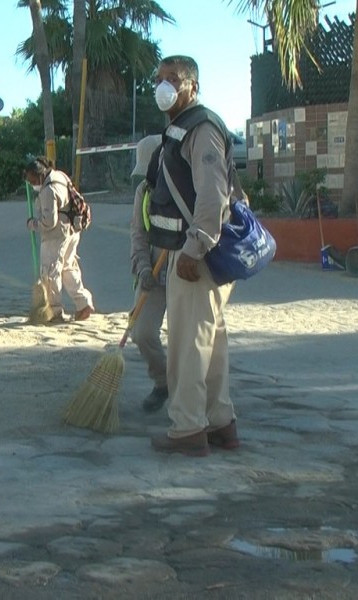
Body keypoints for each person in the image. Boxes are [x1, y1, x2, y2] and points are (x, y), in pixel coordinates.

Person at [146, 55, 238, 457]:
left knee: (187, 345)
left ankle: (187, 429)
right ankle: (220, 424)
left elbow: (213, 193)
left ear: (192, 88)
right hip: (194, 254)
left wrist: (195, 244)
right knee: (210, 344)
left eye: (173, 79)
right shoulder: (180, 129)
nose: (163, 86)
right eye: (159, 79)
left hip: (195, 256)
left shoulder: (200, 128)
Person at [23, 157, 95, 323]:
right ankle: (83, 303)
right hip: (71, 231)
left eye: (32, 180)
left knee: (50, 272)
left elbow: (49, 222)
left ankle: (54, 311)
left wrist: (33, 224)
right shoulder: (59, 176)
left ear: (40, 175)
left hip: (56, 235)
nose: (31, 184)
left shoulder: (49, 190)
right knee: (68, 268)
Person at [129, 134, 167, 412]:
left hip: (186, 271)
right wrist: (143, 267)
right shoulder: (143, 190)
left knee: (187, 338)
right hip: (153, 271)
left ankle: (194, 395)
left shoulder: (188, 185)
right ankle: (163, 382)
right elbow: (137, 235)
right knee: (141, 332)